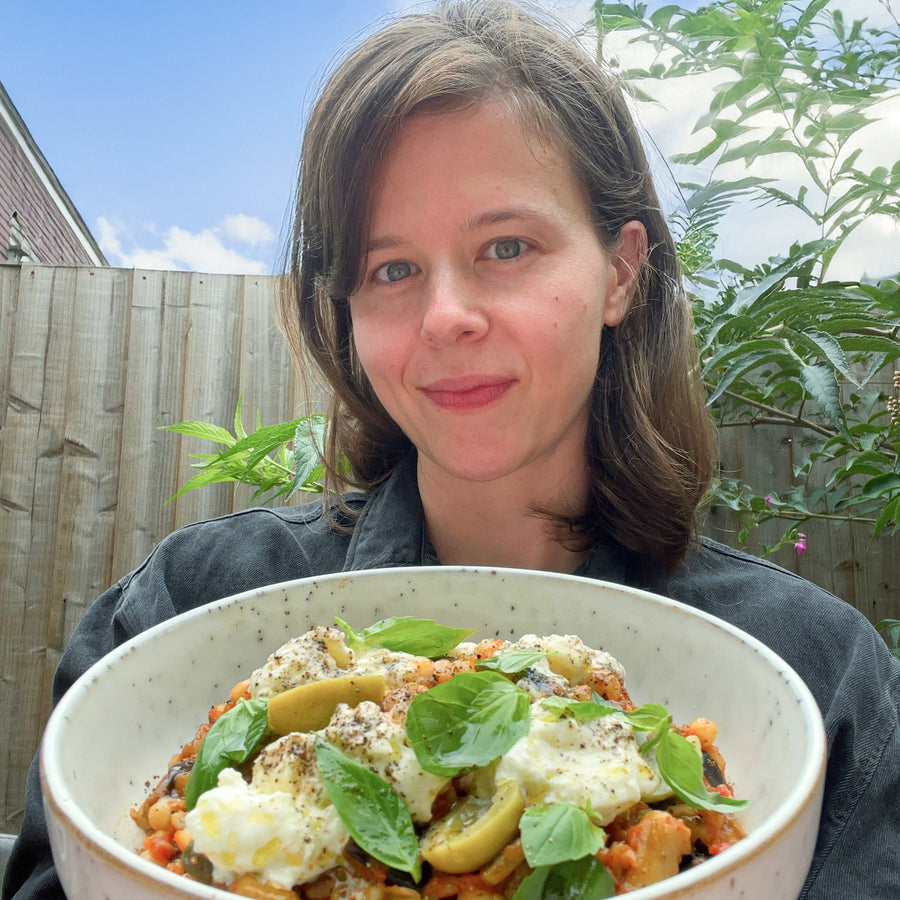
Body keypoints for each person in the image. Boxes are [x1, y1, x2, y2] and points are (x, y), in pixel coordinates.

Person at [4, 2, 898, 898]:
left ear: (622, 271)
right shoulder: (178, 611)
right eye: (391, 268)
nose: (445, 319)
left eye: (506, 247)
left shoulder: (819, 678)